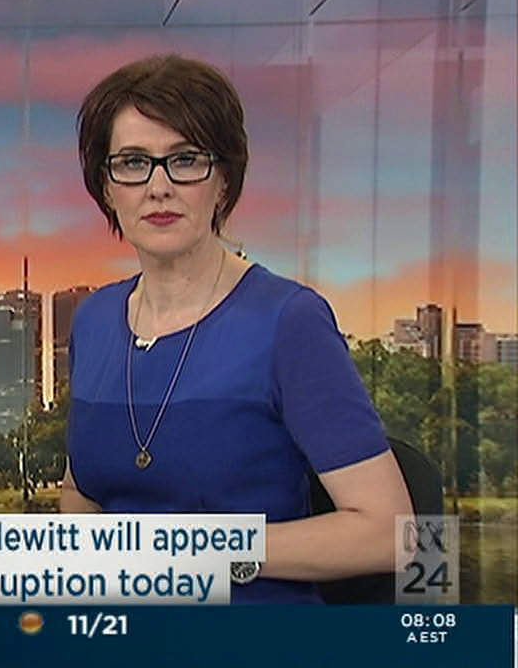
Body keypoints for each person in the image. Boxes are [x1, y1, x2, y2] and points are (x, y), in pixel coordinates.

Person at [60, 54, 413, 603]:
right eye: (132, 163)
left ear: (224, 181)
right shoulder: (94, 321)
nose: (158, 186)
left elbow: (390, 534)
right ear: (106, 188)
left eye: (186, 160)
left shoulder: (288, 322)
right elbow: (80, 501)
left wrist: (205, 553)